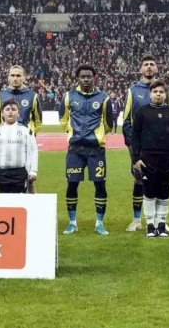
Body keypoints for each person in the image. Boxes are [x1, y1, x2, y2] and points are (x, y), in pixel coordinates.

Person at [122, 55, 169, 232]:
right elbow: (126, 120)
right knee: (139, 179)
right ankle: (137, 219)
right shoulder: (132, 91)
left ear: (156, 68)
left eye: (152, 64)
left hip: (163, 149)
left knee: (162, 181)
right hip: (141, 148)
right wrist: (132, 147)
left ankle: (161, 221)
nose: (149, 67)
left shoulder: (167, 90)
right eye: (145, 64)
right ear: (140, 69)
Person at [59, 65, 112, 235]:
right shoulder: (69, 96)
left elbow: (108, 124)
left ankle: (99, 223)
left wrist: (96, 137)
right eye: (83, 76)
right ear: (78, 78)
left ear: (94, 77)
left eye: (89, 76)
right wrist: (73, 133)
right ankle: (72, 222)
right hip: (75, 150)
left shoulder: (104, 98)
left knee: (100, 184)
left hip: (96, 150)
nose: (86, 79)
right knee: (72, 184)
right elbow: (63, 119)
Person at [131, 81, 169, 238]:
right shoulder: (142, 112)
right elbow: (135, 137)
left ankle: (161, 225)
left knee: (164, 192)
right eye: (155, 92)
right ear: (150, 93)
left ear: (165, 94)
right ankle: (150, 225)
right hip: (147, 159)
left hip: (168, 159)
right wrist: (136, 158)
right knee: (149, 192)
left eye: (161, 92)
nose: (158, 94)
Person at [0, 66, 42, 194]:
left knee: (30, 180)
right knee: (2, 178)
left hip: (24, 144)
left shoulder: (32, 96)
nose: (15, 78)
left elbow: (38, 121)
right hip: (5, 144)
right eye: (13, 75)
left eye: (18, 75)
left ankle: (31, 206)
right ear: (8, 77)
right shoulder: (0, 96)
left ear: (24, 77)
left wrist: (29, 136)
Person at [0, 99, 38, 194]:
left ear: (18, 113)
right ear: (2, 113)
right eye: (7, 109)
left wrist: (33, 171)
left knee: (20, 200)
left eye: (13, 109)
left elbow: (33, 150)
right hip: (2, 173)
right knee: (4, 201)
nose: (10, 112)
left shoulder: (26, 131)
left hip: (20, 172)